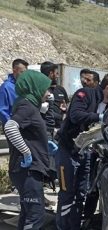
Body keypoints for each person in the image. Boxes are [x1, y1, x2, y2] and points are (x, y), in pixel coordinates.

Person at [56, 73, 108, 230]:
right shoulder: (85, 94)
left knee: (81, 193)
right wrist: (100, 117)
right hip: (68, 150)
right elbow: (75, 115)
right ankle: (62, 226)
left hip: (86, 153)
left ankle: (74, 226)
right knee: (67, 194)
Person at [3, 70, 56, 230]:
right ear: (35, 87)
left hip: (25, 171)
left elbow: (27, 132)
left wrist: (44, 144)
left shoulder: (26, 104)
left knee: (27, 214)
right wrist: (27, 153)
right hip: (28, 171)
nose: (48, 93)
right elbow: (10, 127)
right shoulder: (27, 106)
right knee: (35, 216)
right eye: (46, 89)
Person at [40, 61, 69, 131]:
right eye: (56, 73)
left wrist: (66, 110)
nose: (58, 76)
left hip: (60, 128)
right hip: (46, 129)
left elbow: (67, 105)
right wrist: (61, 117)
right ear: (51, 73)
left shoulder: (61, 89)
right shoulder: (40, 90)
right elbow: (43, 110)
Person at [0, 59, 29, 126]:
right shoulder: (6, 87)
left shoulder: (25, 85)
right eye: (22, 72)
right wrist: (11, 126)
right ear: (14, 71)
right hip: (14, 127)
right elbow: (2, 110)